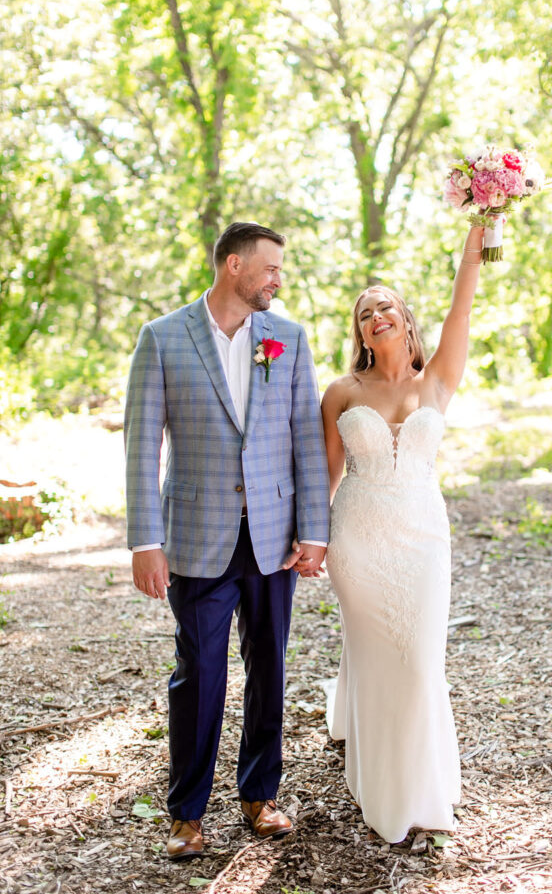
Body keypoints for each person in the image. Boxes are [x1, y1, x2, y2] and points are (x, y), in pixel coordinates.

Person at [124, 222, 330, 860]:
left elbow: (305, 438)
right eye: (270, 269)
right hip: (196, 537)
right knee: (200, 674)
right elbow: (141, 445)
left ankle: (259, 795)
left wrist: (314, 530)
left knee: (269, 668)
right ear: (234, 266)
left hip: (273, 537)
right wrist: (144, 542)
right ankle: (186, 812)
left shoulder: (288, 339)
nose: (278, 280)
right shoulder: (162, 338)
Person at [319, 224, 485, 844]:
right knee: (374, 656)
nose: (375, 315)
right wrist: (308, 542)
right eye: (365, 314)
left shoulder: (435, 380)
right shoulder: (340, 393)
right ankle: (380, 788)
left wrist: (478, 230)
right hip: (357, 542)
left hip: (422, 540)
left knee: (418, 664)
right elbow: (325, 480)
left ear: (407, 321)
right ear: (360, 333)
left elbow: (462, 304)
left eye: (385, 305)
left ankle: (420, 788)